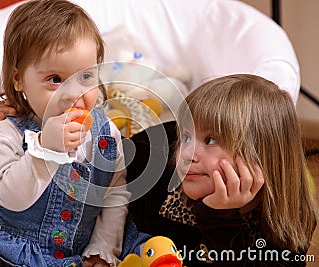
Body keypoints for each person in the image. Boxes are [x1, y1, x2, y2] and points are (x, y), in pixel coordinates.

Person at [0, 1, 148, 266]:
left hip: (79, 254)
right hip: (9, 254)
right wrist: (46, 150)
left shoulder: (104, 132)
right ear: (18, 80)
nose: (73, 93)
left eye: (86, 77)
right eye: (55, 79)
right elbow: (9, 199)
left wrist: (103, 247)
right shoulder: (4, 130)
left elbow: (113, 193)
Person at [133, 74, 317, 266]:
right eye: (186, 137)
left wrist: (220, 218)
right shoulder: (151, 165)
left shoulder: (292, 219)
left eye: (210, 140)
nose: (187, 154)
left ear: (261, 155)